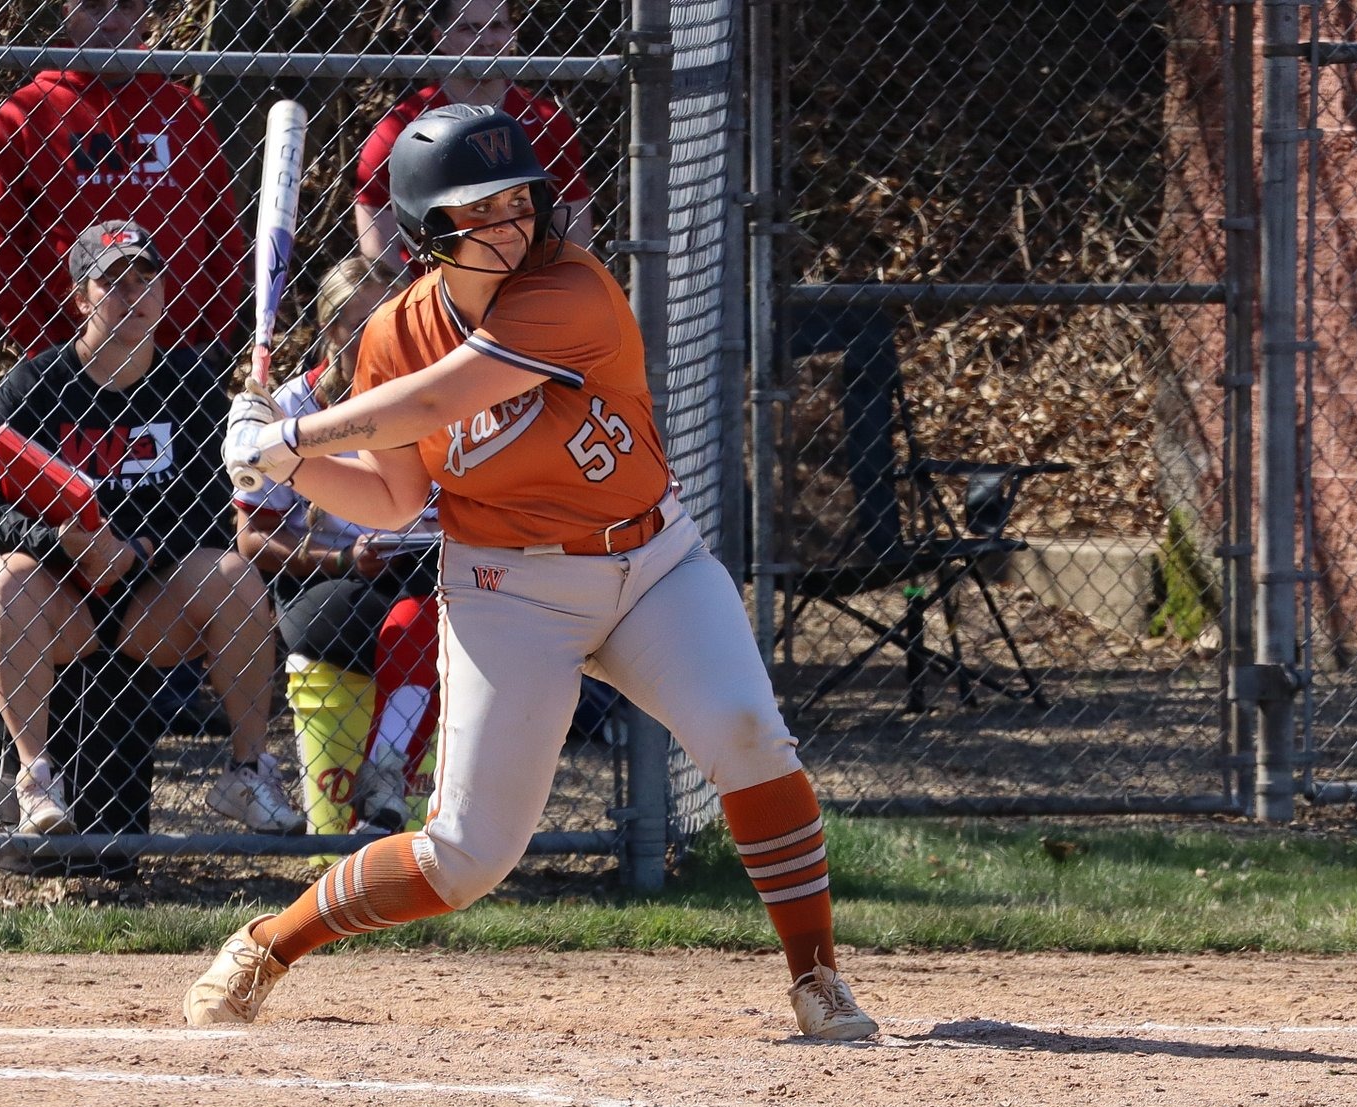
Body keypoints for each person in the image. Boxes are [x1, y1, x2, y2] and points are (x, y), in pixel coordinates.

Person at [187, 106, 878, 1041]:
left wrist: (294, 432)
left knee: (750, 735)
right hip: (508, 591)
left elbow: (438, 398)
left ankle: (816, 975)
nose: (515, 223)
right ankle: (268, 943)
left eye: (522, 201)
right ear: (432, 230)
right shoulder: (393, 333)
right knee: (466, 856)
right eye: (484, 209)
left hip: (651, 564)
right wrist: (277, 464)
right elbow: (395, 498)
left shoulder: (573, 289)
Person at [0, 221, 303, 838]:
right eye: (114, 281)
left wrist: (138, 549)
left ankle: (249, 771)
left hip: (152, 594)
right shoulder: (30, 388)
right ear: (81, 298)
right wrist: (61, 544)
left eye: (146, 279)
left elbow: (209, 502)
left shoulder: (190, 385)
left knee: (236, 580)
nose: (133, 294)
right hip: (59, 593)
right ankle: (35, 777)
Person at [234, 258, 440, 837]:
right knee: (407, 618)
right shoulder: (296, 405)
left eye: (384, 322)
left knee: (422, 614)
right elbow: (253, 535)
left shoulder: (432, 394)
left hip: (427, 569)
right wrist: (343, 558)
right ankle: (383, 786)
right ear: (328, 328)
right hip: (334, 584)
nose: (371, 336)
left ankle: (382, 785)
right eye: (354, 323)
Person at [0, 0, 245, 360]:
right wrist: (47, 353)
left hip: (180, 361)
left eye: (126, 7)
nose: (112, 24)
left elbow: (224, 235)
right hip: (73, 360)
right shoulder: (27, 113)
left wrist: (214, 340)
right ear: (68, 13)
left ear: (146, 15)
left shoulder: (184, 112)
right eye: (94, 7)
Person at [352, 0, 593, 265]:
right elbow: (377, 243)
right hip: (431, 289)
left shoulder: (545, 120)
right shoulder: (402, 125)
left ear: (513, 33)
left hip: (525, 289)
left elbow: (574, 225)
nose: (486, 40)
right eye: (469, 28)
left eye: (497, 26)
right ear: (440, 38)